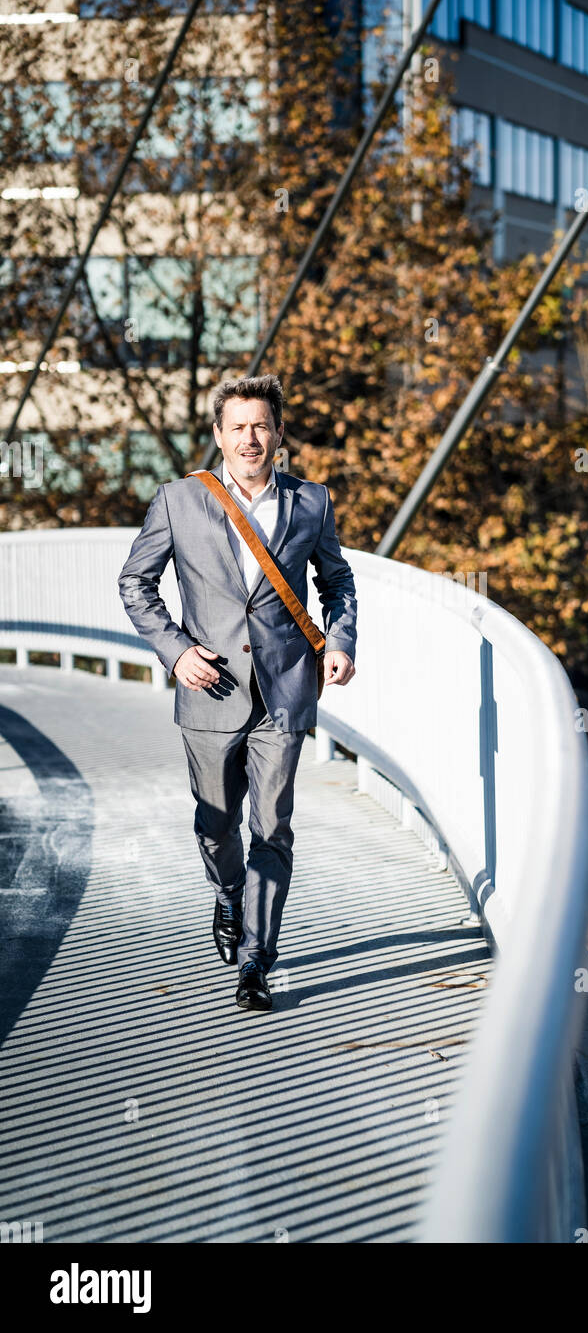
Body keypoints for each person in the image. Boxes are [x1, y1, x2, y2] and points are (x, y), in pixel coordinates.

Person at [118, 374, 357, 1011]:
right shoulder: (178, 500)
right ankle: (227, 894)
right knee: (215, 825)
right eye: (238, 427)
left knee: (273, 828)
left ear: (277, 435)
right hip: (210, 692)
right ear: (219, 436)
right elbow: (135, 584)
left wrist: (340, 642)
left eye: (262, 426)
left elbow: (337, 582)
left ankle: (256, 959)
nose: (251, 438)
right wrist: (176, 651)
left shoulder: (311, 501)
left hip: (285, 690)